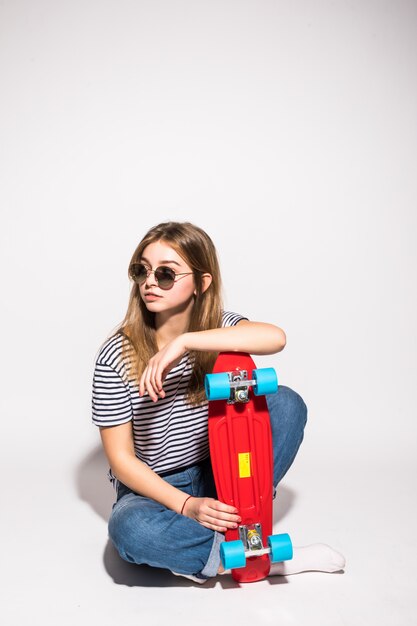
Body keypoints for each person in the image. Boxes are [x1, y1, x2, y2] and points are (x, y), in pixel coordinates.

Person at [92, 221, 345, 583]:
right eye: (141, 270)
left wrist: (186, 342)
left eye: (165, 273)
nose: (149, 281)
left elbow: (275, 338)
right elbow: (121, 459)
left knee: (287, 403)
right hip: (154, 488)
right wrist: (186, 505)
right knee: (129, 529)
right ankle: (254, 557)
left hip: (220, 471)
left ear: (202, 282)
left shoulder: (218, 329)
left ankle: (236, 521)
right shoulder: (116, 353)